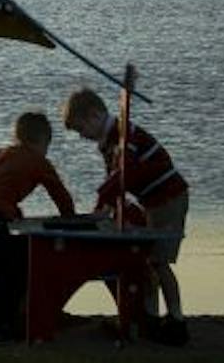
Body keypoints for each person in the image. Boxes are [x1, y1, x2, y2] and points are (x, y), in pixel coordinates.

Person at [64, 86, 191, 345]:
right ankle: (151, 317)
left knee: (159, 260)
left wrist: (104, 200)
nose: (82, 136)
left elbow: (124, 174)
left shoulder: (126, 135)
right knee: (146, 260)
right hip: (151, 202)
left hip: (169, 197)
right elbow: (114, 180)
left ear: (95, 115)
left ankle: (177, 319)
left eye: (81, 129)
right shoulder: (109, 143)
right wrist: (105, 209)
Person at [0, 110, 75, 343]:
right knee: (6, 272)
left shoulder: (3, 153)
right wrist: (71, 220)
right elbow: (60, 194)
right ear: (43, 141)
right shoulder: (39, 161)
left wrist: (8, 206)